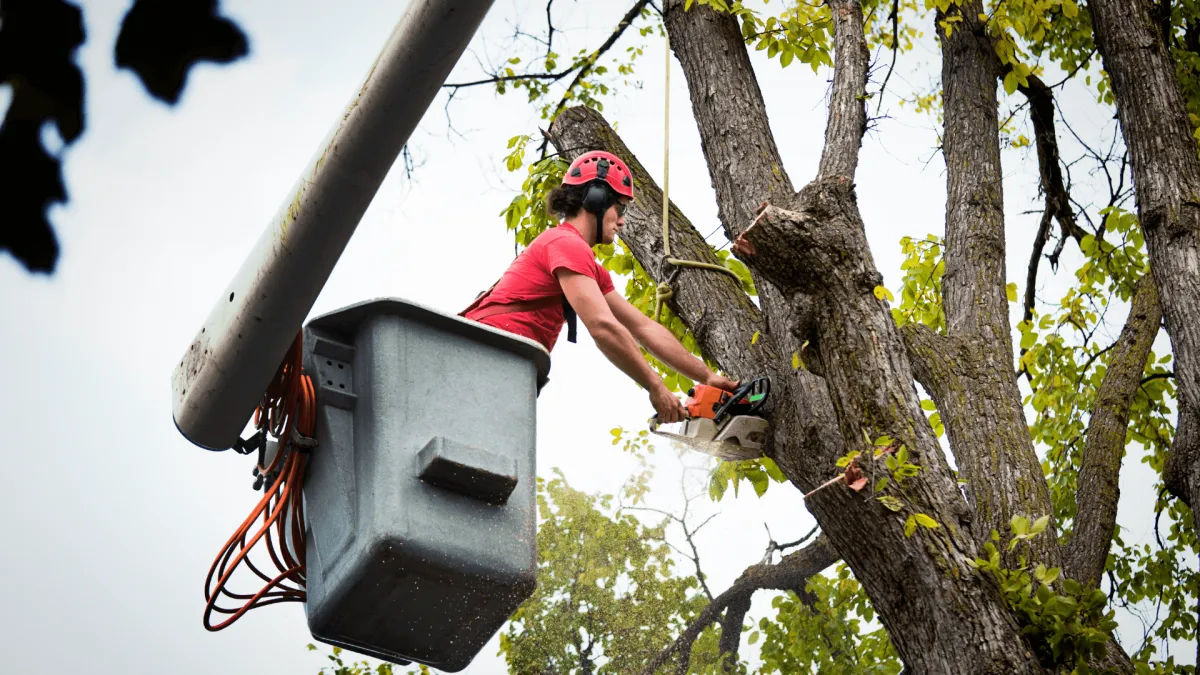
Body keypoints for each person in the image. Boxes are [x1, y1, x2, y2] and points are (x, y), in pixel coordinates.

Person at [462, 150, 738, 423]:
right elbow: (603, 327)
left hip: (502, 361)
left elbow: (643, 327)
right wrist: (656, 386)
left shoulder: (586, 266)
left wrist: (707, 376)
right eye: (620, 209)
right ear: (596, 199)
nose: (621, 221)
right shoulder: (566, 244)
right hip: (480, 355)